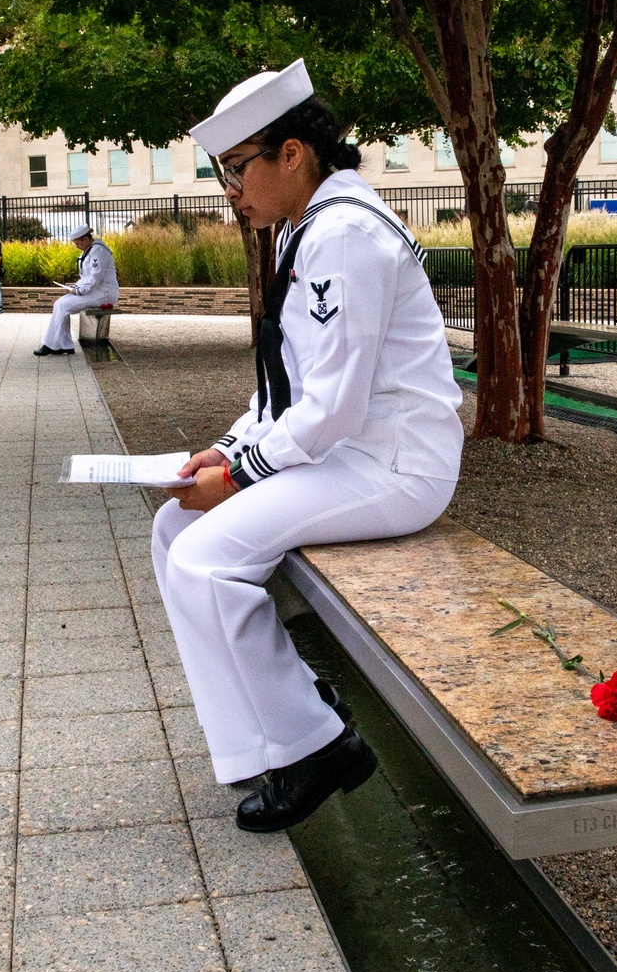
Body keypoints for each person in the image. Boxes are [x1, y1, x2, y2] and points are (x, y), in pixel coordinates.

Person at [151, 57, 464, 834]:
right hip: (350, 451)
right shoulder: (313, 226)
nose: (233, 190)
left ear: (293, 153)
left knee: (203, 557)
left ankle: (318, 746)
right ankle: (263, 737)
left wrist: (242, 473)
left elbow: (330, 408)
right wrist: (224, 451)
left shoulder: (345, 236)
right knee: (173, 530)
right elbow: (285, 385)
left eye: (238, 168)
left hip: (393, 464)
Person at [34, 223, 119, 356]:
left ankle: (52, 345)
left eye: (77, 243)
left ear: (85, 239)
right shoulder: (90, 250)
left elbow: (95, 276)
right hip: (96, 290)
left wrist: (79, 291)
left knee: (63, 305)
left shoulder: (98, 251)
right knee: (59, 304)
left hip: (105, 292)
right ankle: (63, 345)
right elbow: (86, 276)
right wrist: (77, 287)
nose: (76, 246)